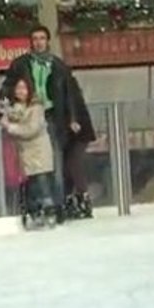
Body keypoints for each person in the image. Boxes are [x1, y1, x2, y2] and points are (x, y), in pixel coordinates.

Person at [1, 26, 83, 223]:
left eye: (42, 38)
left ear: (48, 41)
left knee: (53, 162)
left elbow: (70, 92)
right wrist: (12, 105)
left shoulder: (58, 65)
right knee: (30, 166)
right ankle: (35, 206)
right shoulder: (21, 64)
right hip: (29, 112)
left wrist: (73, 118)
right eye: (35, 38)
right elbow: (8, 85)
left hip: (53, 115)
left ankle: (57, 205)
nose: (38, 42)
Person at [0, 77, 57, 227]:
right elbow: (8, 119)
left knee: (42, 183)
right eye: (18, 88)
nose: (21, 92)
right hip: (25, 155)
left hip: (38, 153)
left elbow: (31, 130)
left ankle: (49, 212)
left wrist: (10, 127)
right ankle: (35, 213)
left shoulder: (36, 108)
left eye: (24, 88)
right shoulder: (14, 109)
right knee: (30, 187)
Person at [60, 74, 96, 219]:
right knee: (67, 165)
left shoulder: (66, 83)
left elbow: (73, 104)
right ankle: (71, 199)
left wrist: (73, 120)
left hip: (78, 130)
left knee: (73, 163)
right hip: (68, 132)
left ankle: (82, 199)